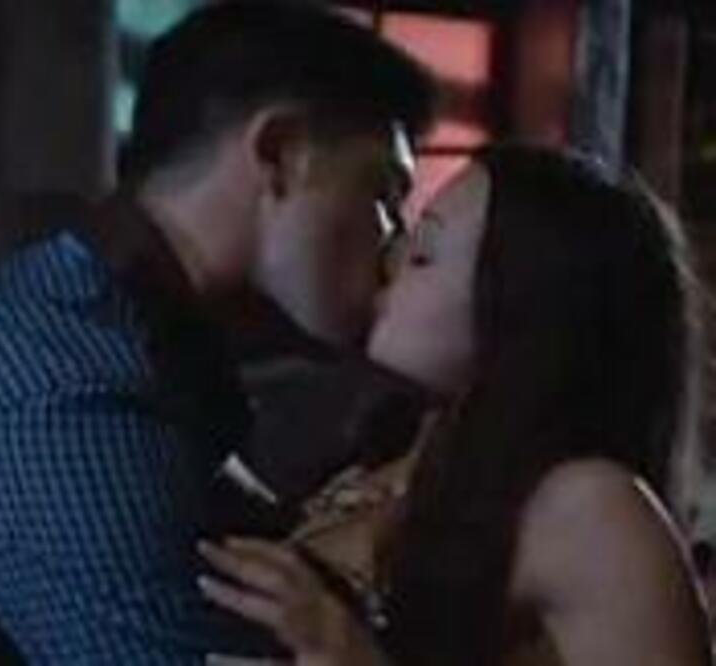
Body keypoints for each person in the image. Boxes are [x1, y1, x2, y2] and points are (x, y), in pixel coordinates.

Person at [0, 2, 435, 663]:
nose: (398, 243)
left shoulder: (120, 325)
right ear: (279, 154)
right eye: (383, 194)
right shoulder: (68, 391)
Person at [198, 144, 714, 666]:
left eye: (424, 253)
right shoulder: (392, 451)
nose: (390, 262)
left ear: (519, 308)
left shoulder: (587, 505)